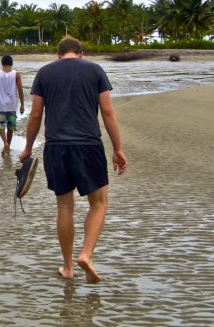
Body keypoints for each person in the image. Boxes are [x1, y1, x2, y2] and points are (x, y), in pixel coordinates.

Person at [19, 37, 128, 283]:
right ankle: (86, 254)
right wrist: (118, 149)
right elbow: (107, 111)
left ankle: (68, 267)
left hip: (56, 147)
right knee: (98, 203)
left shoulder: (44, 73)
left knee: (65, 207)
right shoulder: (94, 70)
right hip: (88, 145)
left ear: (58, 54)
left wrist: (27, 148)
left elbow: (35, 115)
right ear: (81, 53)